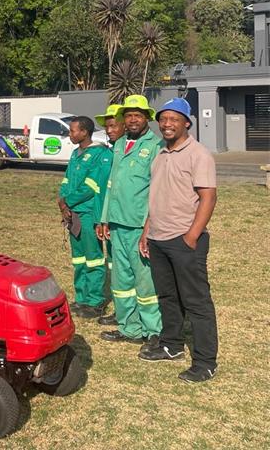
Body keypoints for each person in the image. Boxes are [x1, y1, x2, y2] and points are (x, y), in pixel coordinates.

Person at [137, 98, 219, 383]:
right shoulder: (159, 151)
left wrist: (192, 236)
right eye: (163, 119)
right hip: (158, 238)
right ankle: (172, 346)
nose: (167, 124)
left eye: (174, 119)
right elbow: (156, 196)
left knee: (196, 303)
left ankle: (206, 361)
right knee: (168, 297)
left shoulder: (198, 154)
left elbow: (208, 197)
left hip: (185, 239)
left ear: (187, 123)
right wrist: (148, 230)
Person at [99, 95, 162, 349]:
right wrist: (104, 218)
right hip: (116, 225)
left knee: (144, 282)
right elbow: (111, 185)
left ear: (147, 117)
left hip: (139, 226)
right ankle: (130, 328)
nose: (133, 119)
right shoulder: (119, 144)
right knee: (121, 282)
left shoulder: (155, 146)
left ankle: (153, 331)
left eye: (138, 114)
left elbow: (157, 191)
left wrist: (149, 225)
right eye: (129, 114)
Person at [58, 116, 112, 319]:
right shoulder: (75, 153)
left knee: (93, 259)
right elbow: (67, 179)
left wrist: (67, 201)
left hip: (88, 213)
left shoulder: (99, 154)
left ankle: (95, 301)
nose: (70, 134)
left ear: (85, 132)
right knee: (79, 259)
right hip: (72, 213)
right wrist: (62, 200)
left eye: (73, 131)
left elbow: (90, 186)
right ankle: (81, 298)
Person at [94, 103, 126, 325]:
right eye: (107, 127)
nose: (110, 130)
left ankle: (127, 314)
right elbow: (107, 189)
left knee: (125, 269)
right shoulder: (110, 151)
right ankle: (121, 310)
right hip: (110, 216)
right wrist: (102, 219)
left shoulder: (126, 149)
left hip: (128, 219)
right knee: (115, 266)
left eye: (114, 125)